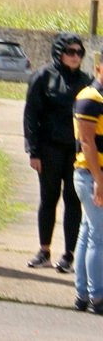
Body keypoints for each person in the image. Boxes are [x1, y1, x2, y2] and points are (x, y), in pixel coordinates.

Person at [26, 33, 88, 273]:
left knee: (73, 201)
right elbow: (31, 115)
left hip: (76, 151)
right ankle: (44, 250)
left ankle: (69, 255)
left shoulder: (86, 81)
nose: (75, 57)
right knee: (48, 199)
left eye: (79, 53)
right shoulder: (43, 77)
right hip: (49, 148)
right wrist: (33, 151)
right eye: (70, 52)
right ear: (59, 52)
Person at [73, 51, 103, 313]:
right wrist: (99, 180)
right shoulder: (90, 98)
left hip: (94, 175)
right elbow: (87, 142)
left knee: (88, 233)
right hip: (91, 175)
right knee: (99, 236)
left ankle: (83, 294)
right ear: (99, 68)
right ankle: (98, 297)